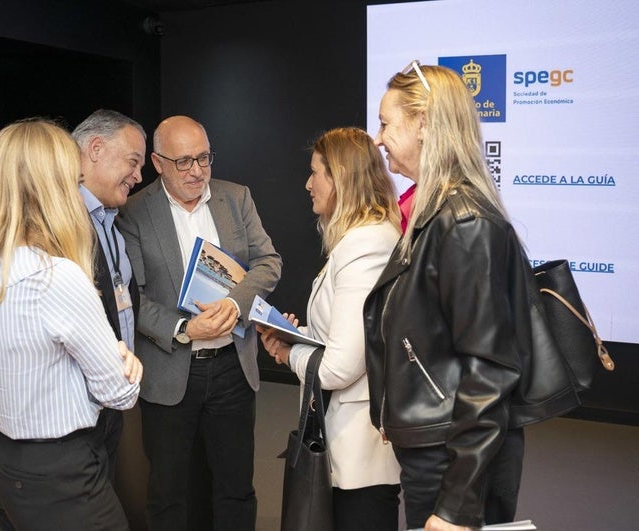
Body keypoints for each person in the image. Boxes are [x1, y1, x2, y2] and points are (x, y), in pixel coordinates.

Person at [363, 62, 577, 531]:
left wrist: (456, 504)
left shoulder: (463, 222)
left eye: (384, 122)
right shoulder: (436, 211)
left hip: (454, 459)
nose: (377, 138)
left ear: (422, 124)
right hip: (441, 445)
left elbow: (490, 368)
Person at [0, 119, 142, 531]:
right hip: (60, 476)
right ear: (54, 188)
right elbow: (120, 393)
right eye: (72, 181)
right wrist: (128, 363)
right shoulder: (58, 277)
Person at [116, 115, 282, 531]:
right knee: (169, 492)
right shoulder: (135, 212)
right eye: (184, 161)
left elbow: (269, 262)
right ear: (157, 162)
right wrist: (185, 329)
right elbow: (134, 298)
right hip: (171, 373)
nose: (197, 171)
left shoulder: (235, 198)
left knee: (235, 486)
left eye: (204, 159)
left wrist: (234, 303)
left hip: (232, 368)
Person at [259, 127, 402, 531]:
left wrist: (289, 353)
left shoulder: (365, 245)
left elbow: (341, 366)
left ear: (340, 177)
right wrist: (299, 333)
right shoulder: (360, 240)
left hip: (358, 453)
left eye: (315, 172)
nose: (308, 184)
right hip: (347, 444)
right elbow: (347, 333)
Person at [71, 109, 145, 477]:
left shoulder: (111, 221)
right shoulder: (61, 223)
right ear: (96, 148)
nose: (138, 176)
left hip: (109, 401)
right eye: (133, 161)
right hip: (75, 413)